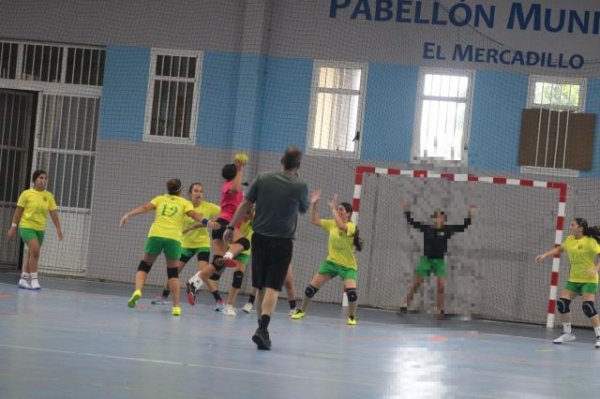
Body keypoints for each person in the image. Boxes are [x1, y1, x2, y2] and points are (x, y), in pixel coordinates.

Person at [224, 146, 309, 350]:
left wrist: (230, 226)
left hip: (259, 238)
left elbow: (244, 204)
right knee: (272, 287)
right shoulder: (300, 185)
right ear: (298, 165)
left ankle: (261, 328)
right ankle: (263, 329)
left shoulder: (262, 178)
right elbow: (304, 209)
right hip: (282, 241)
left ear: (281, 160)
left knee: (261, 285)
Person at [119, 178, 203, 317]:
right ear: (181, 190)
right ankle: (176, 307)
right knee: (173, 273)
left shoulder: (160, 199)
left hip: (156, 235)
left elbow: (145, 208)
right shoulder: (185, 202)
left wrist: (128, 214)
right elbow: (193, 215)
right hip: (173, 238)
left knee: (144, 266)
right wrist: (207, 221)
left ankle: (138, 291)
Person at [291, 191, 362, 325]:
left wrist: (332, 208)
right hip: (331, 263)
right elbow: (314, 220)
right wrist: (314, 204)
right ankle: (301, 310)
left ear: (348, 213)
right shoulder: (331, 224)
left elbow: (341, 226)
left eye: (341, 210)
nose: (339, 211)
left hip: (348, 266)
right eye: (338, 209)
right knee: (310, 289)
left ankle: (352, 316)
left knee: (352, 294)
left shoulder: (351, 227)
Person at [186, 157, 245, 311]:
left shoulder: (238, 191)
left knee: (216, 268)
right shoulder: (228, 186)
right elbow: (235, 188)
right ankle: (229, 256)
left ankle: (194, 282)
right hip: (227, 224)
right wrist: (240, 169)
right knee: (245, 243)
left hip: (220, 224)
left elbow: (241, 195)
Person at [400, 197, 474, 320]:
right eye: (435, 217)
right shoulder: (427, 229)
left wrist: (469, 215)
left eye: (439, 217)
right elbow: (411, 222)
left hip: (439, 261)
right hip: (426, 260)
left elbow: (463, 227)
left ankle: (440, 310)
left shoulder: (447, 230)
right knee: (416, 284)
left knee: (441, 286)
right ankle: (405, 305)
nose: (437, 219)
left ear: (443, 219)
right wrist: (406, 209)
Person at [150, 182, 220, 305]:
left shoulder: (209, 207)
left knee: (204, 270)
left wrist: (210, 223)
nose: (199, 193)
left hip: (202, 243)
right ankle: (163, 296)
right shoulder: (184, 205)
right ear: (190, 193)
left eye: (201, 191)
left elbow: (224, 214)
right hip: (185, 244)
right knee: (174, 271)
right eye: (196, 191)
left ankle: (219, 301)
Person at [536, 218, 600, 347]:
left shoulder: (590, 242)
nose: (570, 227)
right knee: (562, 304)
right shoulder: (570, 240)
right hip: (574, 279)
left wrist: (596, 268)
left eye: (572, 225)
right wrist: (544, 255)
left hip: (589, 280)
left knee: (588, 307)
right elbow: (560, 249)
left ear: (580, 228)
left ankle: (599, 336)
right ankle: (568, 334)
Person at [7, 169, 64, 290]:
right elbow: (18, 212)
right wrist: (13, 227)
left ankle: (23, 279)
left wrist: (58, 228)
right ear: (35, 180)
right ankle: (34, 280)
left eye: (45, 178)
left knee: (32, 254)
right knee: (36, 252)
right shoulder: (26, 194)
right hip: (26, 227)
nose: (43, 180)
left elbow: (53, 213)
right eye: (41, 178)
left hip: (40, 229)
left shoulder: (48, 196)